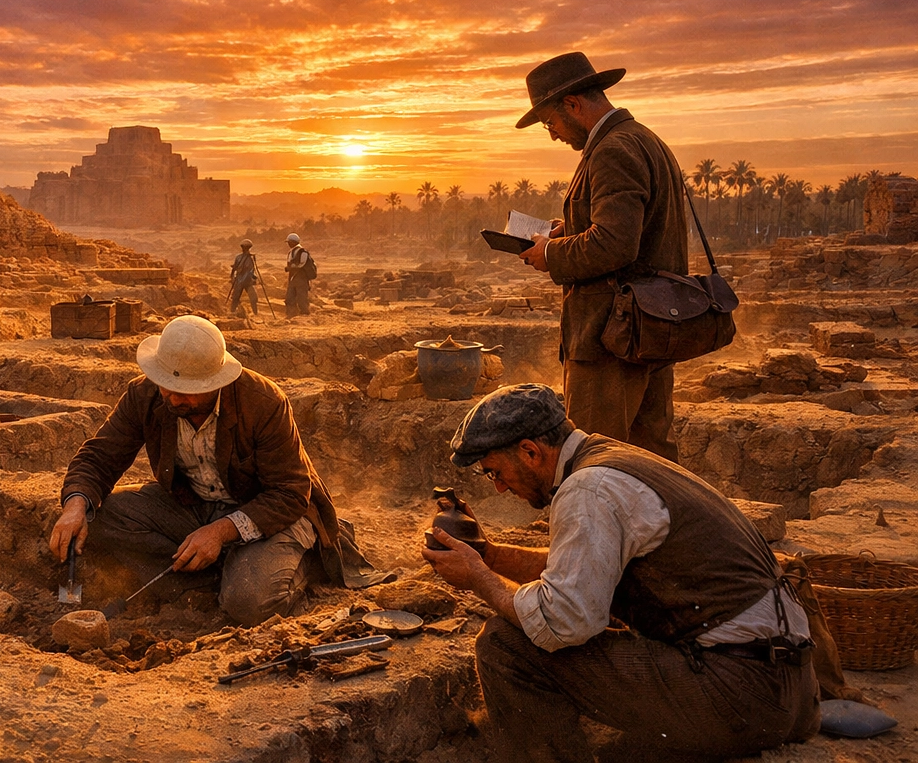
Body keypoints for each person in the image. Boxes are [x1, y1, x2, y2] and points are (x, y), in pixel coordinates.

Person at [422, 384, 818, 763]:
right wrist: (488, 555)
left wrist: (478, 578)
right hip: (791, 690)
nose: (500, 489)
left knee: (506, 645)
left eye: (495, 472)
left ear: (529, 452)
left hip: (741, 693)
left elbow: (562, 621)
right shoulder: (611, 459)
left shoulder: (589, 489)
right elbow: (580, 569)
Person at [50, 315, 388, 625]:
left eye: (185, 392)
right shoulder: (146, 395)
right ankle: (210, 576)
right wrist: (76, 505)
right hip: (193, 504)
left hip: (271, 513)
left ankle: (302, 562)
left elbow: (290, 493)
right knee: (97, 517)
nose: (171, 396)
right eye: (165, 383)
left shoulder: (264, 402)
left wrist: (220, 532)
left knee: (249, 605)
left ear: (215, 382)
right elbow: (101, 456)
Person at [514, 52, 689, 459]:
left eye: (550, 122)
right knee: (652, 459)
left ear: (573, 104)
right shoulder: (644, 140)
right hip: (649, 329)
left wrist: (551, 254)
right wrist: (566, 232)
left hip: (611, 339)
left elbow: (614, 242)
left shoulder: (613, 149)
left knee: (596, 457)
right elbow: (633, 233)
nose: (553, 134)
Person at [283, 233, 313, 317]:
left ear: (293, 242)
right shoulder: (292, 252)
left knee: (302, 298)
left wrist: (291, 268)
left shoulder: (302, 252)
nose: (288, 244)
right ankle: (291, 315)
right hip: (293, 279)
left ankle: (305, 315)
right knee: (289, 298)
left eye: (289, 242)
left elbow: (301, 265)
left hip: (301, 279)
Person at [229, 239, 259, 316]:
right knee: (235, 297)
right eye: (243, 247)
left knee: (253, 298)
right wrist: (232, 277)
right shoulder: (238, 257)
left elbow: (252, 270)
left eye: (246, 247)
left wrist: (254, 278)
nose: (244, 248)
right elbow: (234, 268)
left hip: (248, 281)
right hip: (239, 280)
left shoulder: (251, 258)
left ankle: (255, 313)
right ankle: (232, 311)